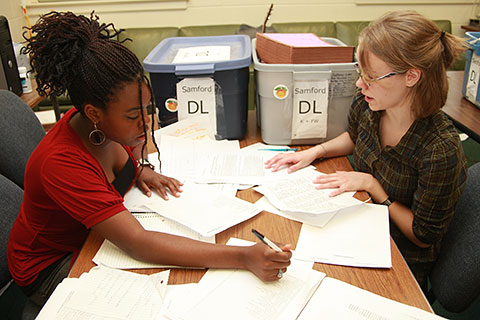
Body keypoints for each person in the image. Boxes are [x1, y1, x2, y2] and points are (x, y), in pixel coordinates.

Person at [7, 11, 292, 313]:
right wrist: (243, 257)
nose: (146, 122)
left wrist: (138, 170)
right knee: (166, 299)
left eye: (146, 108)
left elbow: (116, 163)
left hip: (95, 238)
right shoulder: (61, 162)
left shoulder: (104, 127)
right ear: (93, 113)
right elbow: (137, 242)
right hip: (51, 265)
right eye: (133, 116)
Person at [265, 10, 467, 292]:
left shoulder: (439, 149)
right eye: (361, 73)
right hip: (356, 224)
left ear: (412, 76)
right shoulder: (369, 105)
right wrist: (315, 152)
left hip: (398, 260)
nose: (360, 84)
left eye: (371, 76)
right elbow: (355, 136)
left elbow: (422, 236)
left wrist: (374, 187)